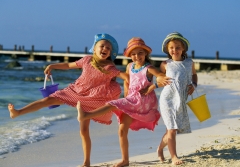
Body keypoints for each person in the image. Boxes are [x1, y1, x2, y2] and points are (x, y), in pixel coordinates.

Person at [8, 33, 129, 167]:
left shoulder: (110, 68)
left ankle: (86, 162)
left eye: (108, 48)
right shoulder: (87, 60)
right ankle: (18, 112)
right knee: (48, 100)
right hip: (75, 91)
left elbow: (125, 76)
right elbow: (68, 65)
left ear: (110, 53)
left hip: (92, 98)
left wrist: (137, 81)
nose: (105, 49)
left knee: (84, 130)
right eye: (102, 46)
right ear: (94, 48)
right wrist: (53, 66)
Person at [78, 37, 171, 167]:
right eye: (133, 54)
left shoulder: (149, 68)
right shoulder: (129, 66)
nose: (137, 56)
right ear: (129, 55)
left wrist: (151, 86)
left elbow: (163, 78)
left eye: (140, 53)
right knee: (122, 130)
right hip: (131, 101)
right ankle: (125, 160)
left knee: (112, 104)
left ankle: (87, 115)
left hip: (143, 101)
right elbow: (127, 81)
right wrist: (126, 96)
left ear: (145, 54)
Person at [156, 32, 198, 165]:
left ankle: (159, 149)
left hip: (181, 99)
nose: (175, 50)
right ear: (168, 50)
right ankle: (174, 157)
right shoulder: (165, 64)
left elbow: (194, 76)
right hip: (167, 99)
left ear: (183, 48)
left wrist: (194, 85)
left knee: (172, 129)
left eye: (178, 47)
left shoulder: (189, 63)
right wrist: (159, 80)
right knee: (172, 128)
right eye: (171, 48)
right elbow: (159, 77)